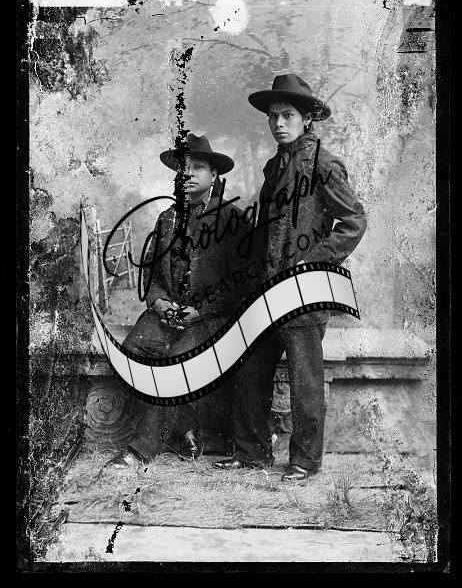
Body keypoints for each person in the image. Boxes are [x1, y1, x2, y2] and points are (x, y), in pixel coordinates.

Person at [212, 73, 367, 481]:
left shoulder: (324, 165)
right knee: (250, 367)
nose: (279, 123)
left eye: (288, 116)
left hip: (304, 291)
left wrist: (312, 260)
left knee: (305, 378)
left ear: (307, 119)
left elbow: (354, 221)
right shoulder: (273, 166)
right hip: (267, 290)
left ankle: (305, 460)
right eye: (273, 116)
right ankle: (251, 452)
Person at [109, 133, 249, 468]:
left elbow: (242, 282)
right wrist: (159, 303)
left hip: (212, 318)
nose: (188, 174)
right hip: (168, 314)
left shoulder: (232, 219)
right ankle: (185, 426)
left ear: (213, 175)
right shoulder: (167, 218)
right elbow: (153, 275)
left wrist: (201, 310)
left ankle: (139, 451)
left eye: (197, 167)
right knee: (131, 353)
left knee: (178, 364)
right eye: (183, 168)